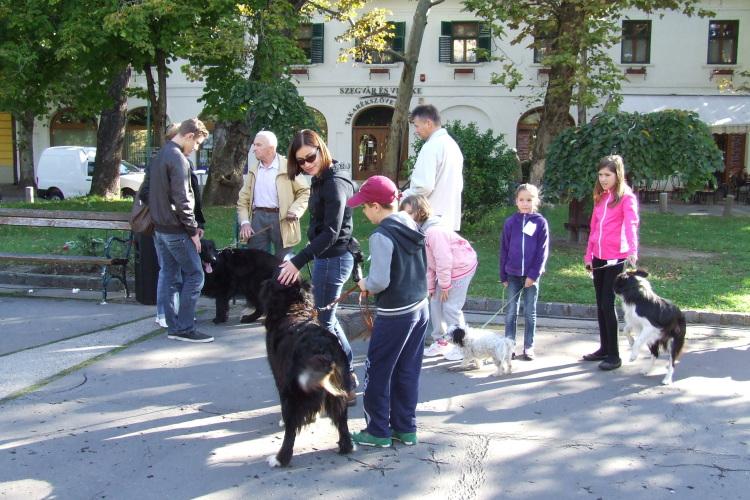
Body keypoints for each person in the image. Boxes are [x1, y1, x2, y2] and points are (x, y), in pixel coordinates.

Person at [347, 176, 429, 448]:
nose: (362, 211)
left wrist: (364, 284)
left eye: (364, 207)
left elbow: (380, 281)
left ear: (375, 206)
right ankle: (406, 428)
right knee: (407, 370)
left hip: (396, 313)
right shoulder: (410, 222)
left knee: (377, 370)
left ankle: (378, 431)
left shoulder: (381, 234)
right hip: (420, 307)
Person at [277, 129, 359, 404]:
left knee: (326, 322)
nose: (307, 164)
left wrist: (298, 260)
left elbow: (332, 233)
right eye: (301, 161)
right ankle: (346, 377)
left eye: (310, 157)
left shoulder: (334, 182)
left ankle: (346, 380)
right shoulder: (322, 178)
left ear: (321, 149)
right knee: (327, 321)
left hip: (334, 258)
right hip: (328, 257)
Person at [149, 118, 212, 343]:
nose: (196, 149)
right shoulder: (178, 159)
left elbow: (147, 191)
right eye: (197, 144)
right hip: (176, 229)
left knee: (168, 275)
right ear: (189, 136)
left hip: (160, 228)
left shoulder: (159, 155)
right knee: (195, 274)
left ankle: (173, 327)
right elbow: (183, 199)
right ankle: (185, 327)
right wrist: (193, 230)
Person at [401, 194, 477, 362]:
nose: (405, 217)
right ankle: (442, 341)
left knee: (450, 307)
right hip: (446, 270)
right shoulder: (419, 231)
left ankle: (462, 345)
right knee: (434, 301)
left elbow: (444, 260)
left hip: (460, 268)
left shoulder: (433, 231)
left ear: (420, 212)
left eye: (409, 213)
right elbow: (428, 262)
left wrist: (444, 285)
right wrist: (430, 287)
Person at [583, 155, 639, 370]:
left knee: (608, 303)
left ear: (618, 174)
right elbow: (594, 229)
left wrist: (632, 251)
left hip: (616, 258)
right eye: (600, 175)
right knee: (600, 304)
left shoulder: (626, 198)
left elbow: (631, 225)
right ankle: (604, 348)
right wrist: (589, 256)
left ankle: (614, 355)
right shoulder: (600, 198)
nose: (603, 179)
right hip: (598, 257)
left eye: (608, 175)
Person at [237, 131, 310, 260]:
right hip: (257, 218)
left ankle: (280, 281)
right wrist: (245, 222)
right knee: (254, 262)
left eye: (259, 145)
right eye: (254, 145)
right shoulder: (253, 169)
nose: (255, 149)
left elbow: (304, 192)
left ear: (271, 149)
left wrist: (295, 211)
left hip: (282, 219)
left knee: (282, 262)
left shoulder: (289, 167)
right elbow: (244, 199)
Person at [499, 184, 550, 361]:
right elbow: (504, 249)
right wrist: (503, 274)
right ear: (516, 201)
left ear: (536, 201)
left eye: (529, 200)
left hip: (530, 276)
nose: (525, 203)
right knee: (511, 311)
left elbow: (542, 252)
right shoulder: (510, 222)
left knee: (530, 311)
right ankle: (509, 346)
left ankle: (529, 346)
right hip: (512, 274)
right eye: (521, 200)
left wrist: (533, 275)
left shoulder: (540, 222)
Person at [401, 104, 464, 231]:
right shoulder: (452, 145)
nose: (416, 131)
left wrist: (400, 196)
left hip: (430, 221)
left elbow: (424, 186)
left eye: (417, 126)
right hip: (449, 220)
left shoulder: (431, 147)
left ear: (428, 123)